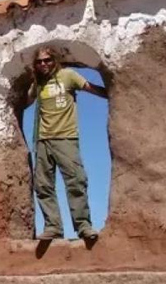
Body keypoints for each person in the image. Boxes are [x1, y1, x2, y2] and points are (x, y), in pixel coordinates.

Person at [27, 47, 107, 242]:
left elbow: (90, 88)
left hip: (66, 137)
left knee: (76, 181)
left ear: (55, 60)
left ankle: (83, 226)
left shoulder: (68, 76)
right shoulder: (38, 84)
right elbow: (26, 101)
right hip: (43, 140)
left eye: (47, 60)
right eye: (39, 62)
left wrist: (116, 93)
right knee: (43, 186)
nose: (43, 64)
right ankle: (53, 227)